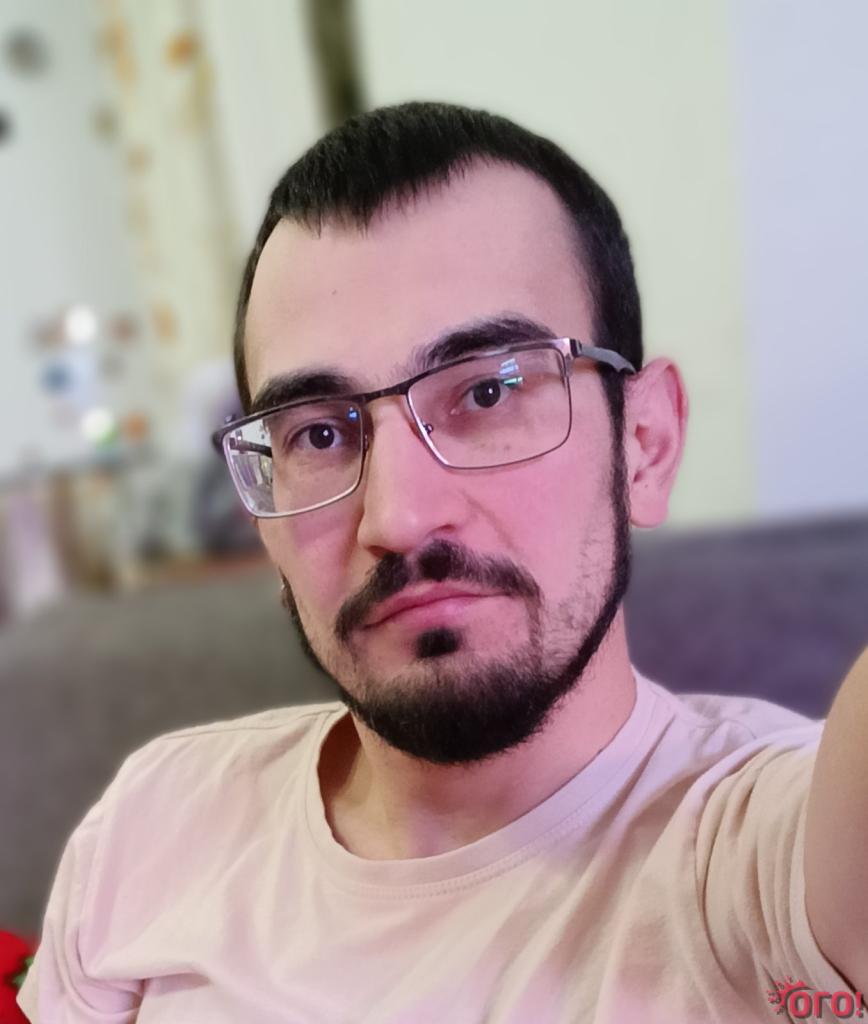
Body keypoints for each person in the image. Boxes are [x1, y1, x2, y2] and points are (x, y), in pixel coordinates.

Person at [19, 102, 867, 1023]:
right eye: (318, 434)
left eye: (489, 391)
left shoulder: (768, 869)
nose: (399, 518)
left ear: (646, 444)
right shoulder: (153, 822)